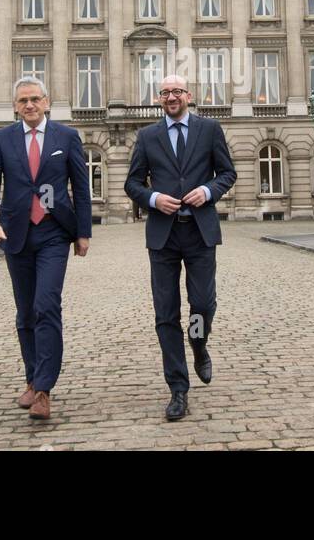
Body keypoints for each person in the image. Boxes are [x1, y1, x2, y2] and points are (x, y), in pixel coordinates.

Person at [0, 77, 91, 421]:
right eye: (23, 100)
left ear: (47, 102)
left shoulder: (66, 137)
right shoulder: (2, 139)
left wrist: (83, 232)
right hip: (17, 233)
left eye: (35, 99)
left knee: (46, 305)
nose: (29, 105)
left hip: (55, 232)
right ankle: (31, 377)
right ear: (15, 106)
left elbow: (81, 187)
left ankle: (43, 389)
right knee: (25, 312)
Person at [125, 74, 237, 421]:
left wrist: (208, 191)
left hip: (200, 231)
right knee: (166, 313)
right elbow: (132, 182)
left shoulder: (209, 129)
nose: (171, 97)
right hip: (163, 235)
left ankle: (199, 343)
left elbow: (227, 173)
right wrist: (153, 198)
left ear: (189, 95)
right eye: (165, 93)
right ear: (159, 99)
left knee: (202, 305)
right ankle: (178, 388)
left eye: (176, 91)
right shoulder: (147, 136)